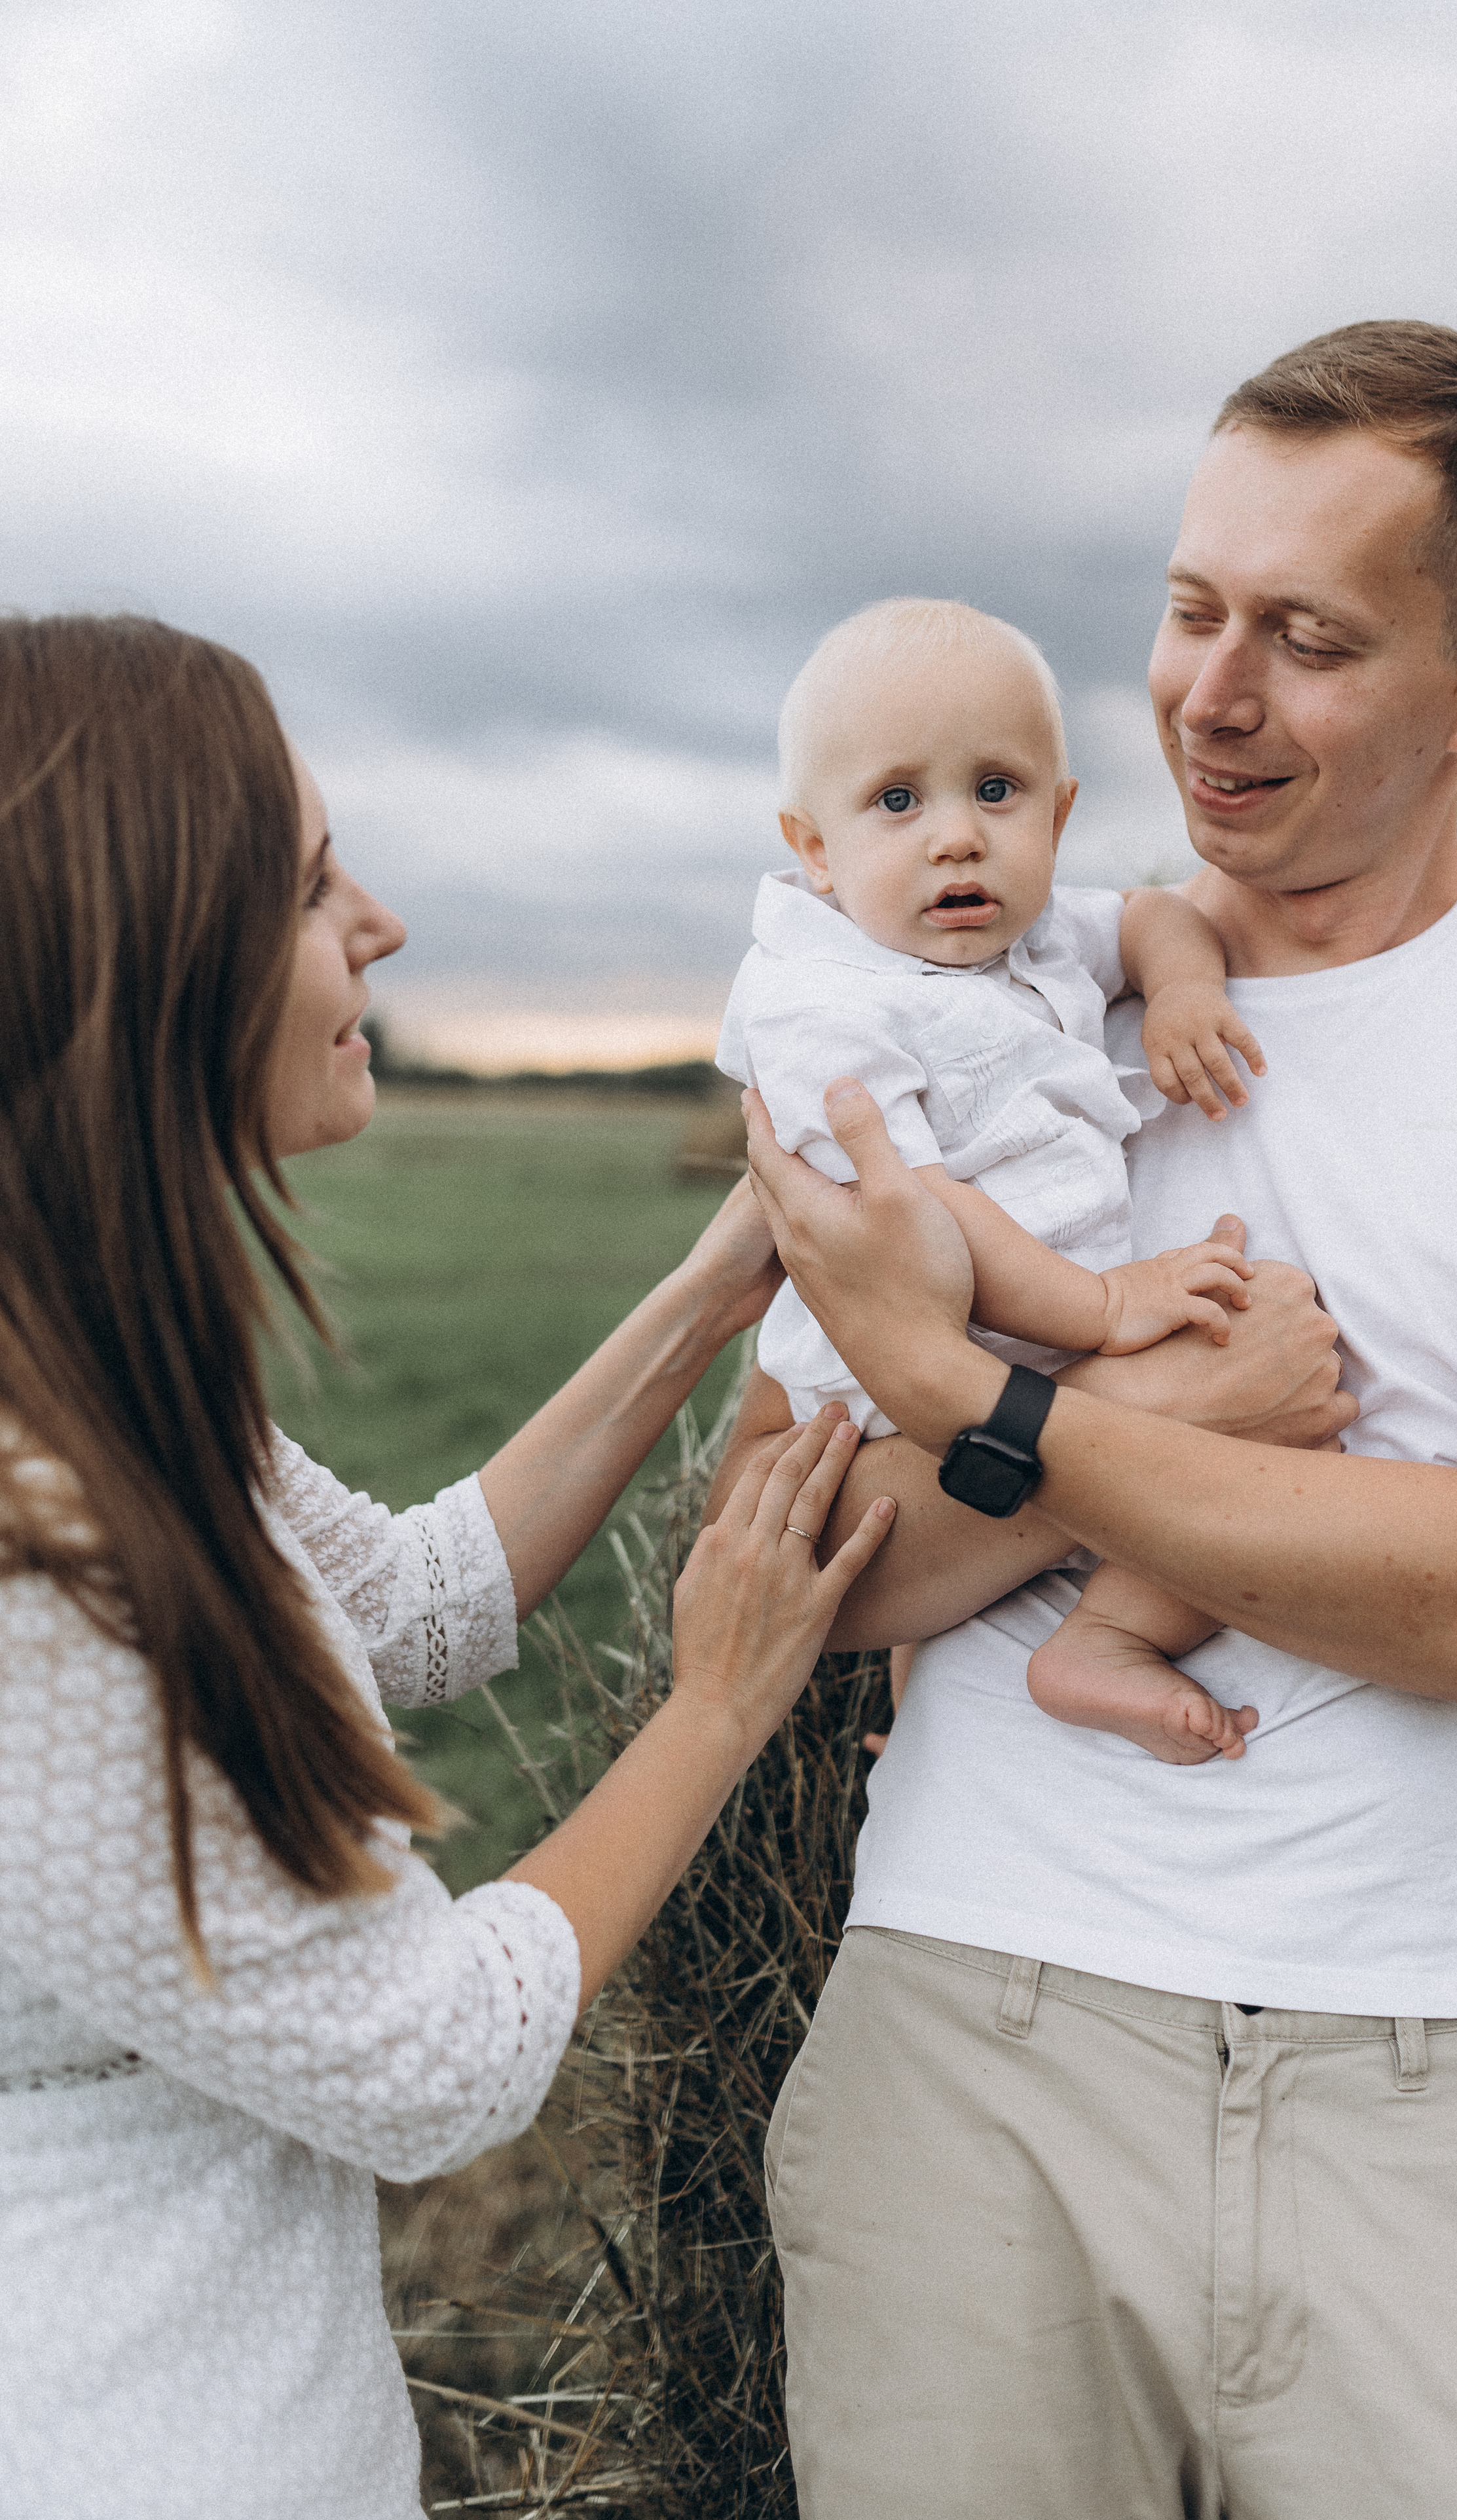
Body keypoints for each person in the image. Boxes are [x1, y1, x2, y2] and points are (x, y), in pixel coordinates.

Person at [722, 323, 1457, 2518]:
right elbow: (824, 1576)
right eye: (1187, 605)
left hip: (1443, 2071)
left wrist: (983, 1396)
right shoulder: (969, 998)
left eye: (1310, 638)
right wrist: (1164, 1393)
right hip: (976, 2033)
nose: (1208, 696)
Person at [0, 613, 894, 2520]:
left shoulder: (96, 1391)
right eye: (317, 884)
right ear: (153, 952)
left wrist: (725, 1270)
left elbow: (408, 1606)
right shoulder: (38, 1554)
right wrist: (723, 1703)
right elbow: (432, 2061)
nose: (382, 929)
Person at [718, 593, 1276, 1761]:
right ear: (814, 850)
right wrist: (1109, 1309)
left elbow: (1157, 915)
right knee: (1236, 1434)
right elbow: (917, 1225)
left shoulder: (1035, 934)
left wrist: (1181, 990)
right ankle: (1058, 1658)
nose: (957, 837)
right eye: (897, 801)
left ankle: (1040, 1662)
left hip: (1015, 1347)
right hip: (906, 1351)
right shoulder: (821, 996)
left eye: (997, 791)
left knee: (1256, 1435)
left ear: (1060, 816)